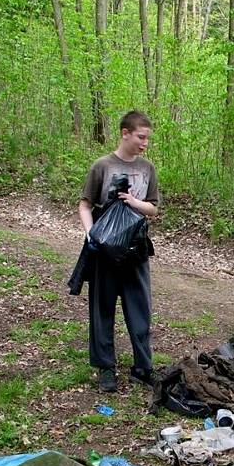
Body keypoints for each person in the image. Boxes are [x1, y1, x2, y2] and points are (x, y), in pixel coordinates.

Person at [78, 111, 160, 393]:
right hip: (105, 249)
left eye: (147, 138)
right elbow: (85, 204)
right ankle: (106, 368)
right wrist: (91, 234)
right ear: (125, 133)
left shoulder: (148, 169)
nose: (145, 143)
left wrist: (134, 202)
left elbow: (153, 209)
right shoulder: (102, 166)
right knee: (102, 308)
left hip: (136, 248)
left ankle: (143, 367)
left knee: (140, 309)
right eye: (141, 137)